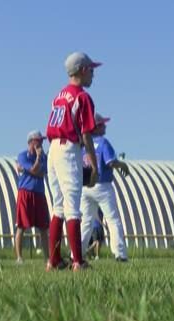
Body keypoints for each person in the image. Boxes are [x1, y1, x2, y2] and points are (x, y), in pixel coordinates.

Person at [45, 52, 101, 272]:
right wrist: (94, 166)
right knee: (72, 207)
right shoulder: (82, 97)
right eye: (91, 70)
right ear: (83, 70)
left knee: (58, 207)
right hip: (69, 149)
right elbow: (86, 135)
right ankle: (78, 261)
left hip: (53, 150)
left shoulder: (59, 96)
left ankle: (54, 260)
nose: (93, 74)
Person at [79, 113, 130, 262]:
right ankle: (120, 254)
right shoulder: (103, 142)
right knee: (113, 220)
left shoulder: (83, 144)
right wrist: (123, 164)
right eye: (102, 124)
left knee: (86, 222)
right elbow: (111, 162)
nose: (105, 126)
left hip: (86, 186)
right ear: (96, 127)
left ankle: (77, 254)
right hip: (102, 185)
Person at [14, 130, 49, 265]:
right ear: (31, 142)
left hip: (39, 193)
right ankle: (19, 258)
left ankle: (47, 257)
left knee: (43, 228)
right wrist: (38, 159)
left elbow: (41, 174)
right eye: (38, 140)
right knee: (22, 226)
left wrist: (29, 171)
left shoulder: (44, 156)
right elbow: (35, 170)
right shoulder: (23, 156)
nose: (41, 143)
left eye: (41, 141)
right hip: (25, 193)